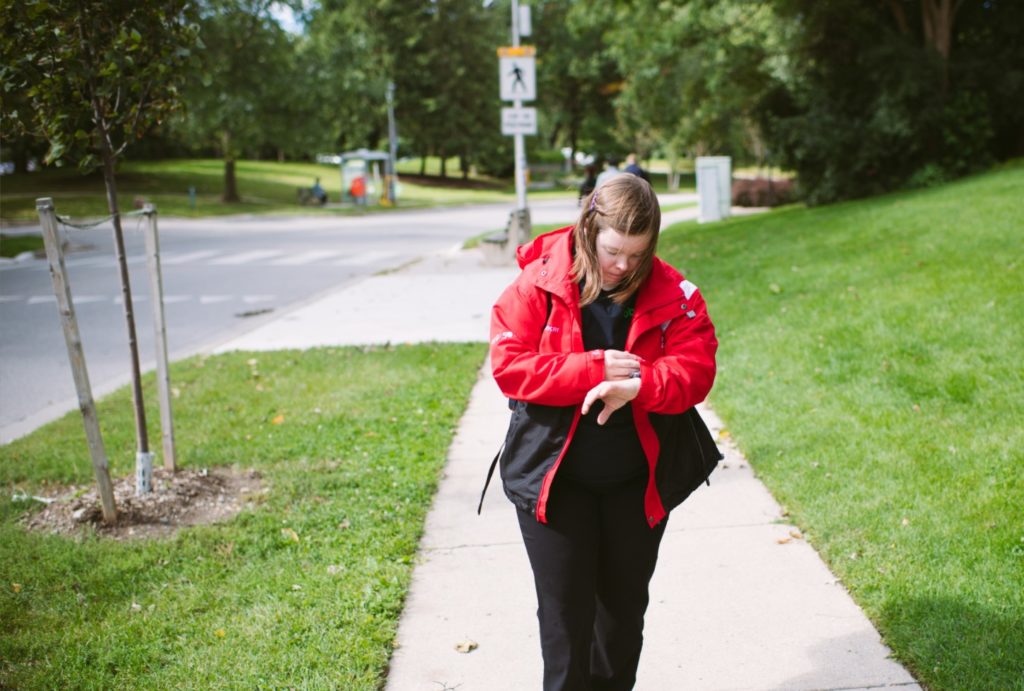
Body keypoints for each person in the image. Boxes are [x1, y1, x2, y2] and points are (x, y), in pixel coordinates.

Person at [489, 174, 721, 690]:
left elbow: (697, 371)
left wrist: (641, 384)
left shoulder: (675, 294)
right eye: (614, 250)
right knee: (566, 621)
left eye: (637, 256)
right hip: (555, 480)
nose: (622, 266)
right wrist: (593, 370)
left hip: (634, 483)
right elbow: (510, 366)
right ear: (588, 230)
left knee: (620, 621)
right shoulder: (538, 283)